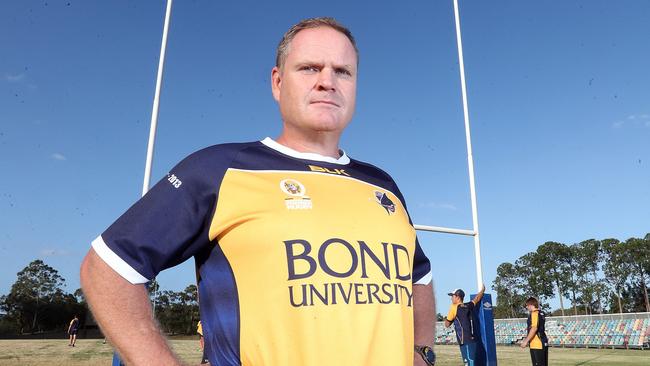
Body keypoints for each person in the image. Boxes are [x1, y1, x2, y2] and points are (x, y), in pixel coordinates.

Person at [80, 17, 436, 366]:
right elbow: (107, 268)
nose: (328, 82)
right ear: (278, 83)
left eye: (343, 71)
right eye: (310, 68)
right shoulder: (219, 169)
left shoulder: (382, 185)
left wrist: (422, 352)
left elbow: (419, 276)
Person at [444, 284, 485, 366]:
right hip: (469, 339)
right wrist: (482, 291)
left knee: (469, 362)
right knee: (470, 362)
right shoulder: (467, 306)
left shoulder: (453, 307)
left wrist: (451, 318)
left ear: (458, 297)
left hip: (464, 341)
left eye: (452, 296)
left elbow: (447, 324)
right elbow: (476, 299)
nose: (451, 298)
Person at [519, 297, 548, 366]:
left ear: (531, 305)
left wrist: (526, 341)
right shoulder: (541, 313)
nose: (526, 307)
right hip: (543, 341)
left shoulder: (534, 314)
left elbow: (534, 328)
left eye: (527, 305)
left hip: (537, 343)